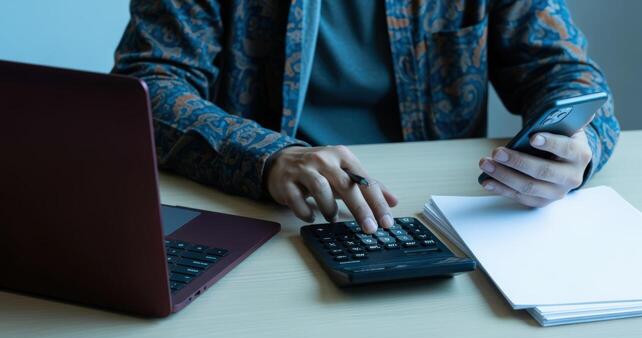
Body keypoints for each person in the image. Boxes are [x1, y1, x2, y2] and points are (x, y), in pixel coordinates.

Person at [113, 0, 620, 234]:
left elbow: (566, 69)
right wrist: (268, 157)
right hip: (271, 214)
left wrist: (577, 147)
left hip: (440, 217)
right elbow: (148, 86)